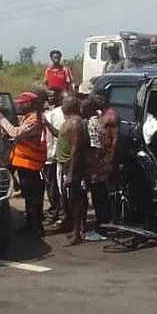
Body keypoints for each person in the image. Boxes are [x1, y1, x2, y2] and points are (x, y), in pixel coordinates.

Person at [0, 91, 47, 238]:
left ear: (31, 104)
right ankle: (29, 225)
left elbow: (16, 133)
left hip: (32, 166)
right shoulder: (29, 118)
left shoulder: (35, 120)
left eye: (23, 103)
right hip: (25, 164)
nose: (20, 106)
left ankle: (36, 229)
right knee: (28, 197)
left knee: (33, 199)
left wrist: (2, 119)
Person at [54, 96, 88, 246]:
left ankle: (77, 233)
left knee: (75, 200)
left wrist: (71, 172)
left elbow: (76, 149)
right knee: (72, 199)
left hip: (72, 165)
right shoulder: (68, 121)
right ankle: (78, 230)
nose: (62, 106)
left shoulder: (75, 123)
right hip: (66, 164)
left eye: (64, 103)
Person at [83, 95, 120, 227]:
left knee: (101, 190)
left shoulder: (111, 115)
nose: (96, 100)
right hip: (97, 157)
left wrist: (110, 159)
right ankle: (103, 220)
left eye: (99, 98)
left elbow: (114, 140)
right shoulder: (99, 116)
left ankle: (106, 220)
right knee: (96, 189)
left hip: (103, 157)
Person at [42, 90, 66, 225]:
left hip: (58, 157)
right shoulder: (53, 114)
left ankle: (58, 213)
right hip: (56, 156)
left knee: (57, 187)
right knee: (55, 187)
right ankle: (57, 212)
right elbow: (49, 137)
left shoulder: (52, 115)